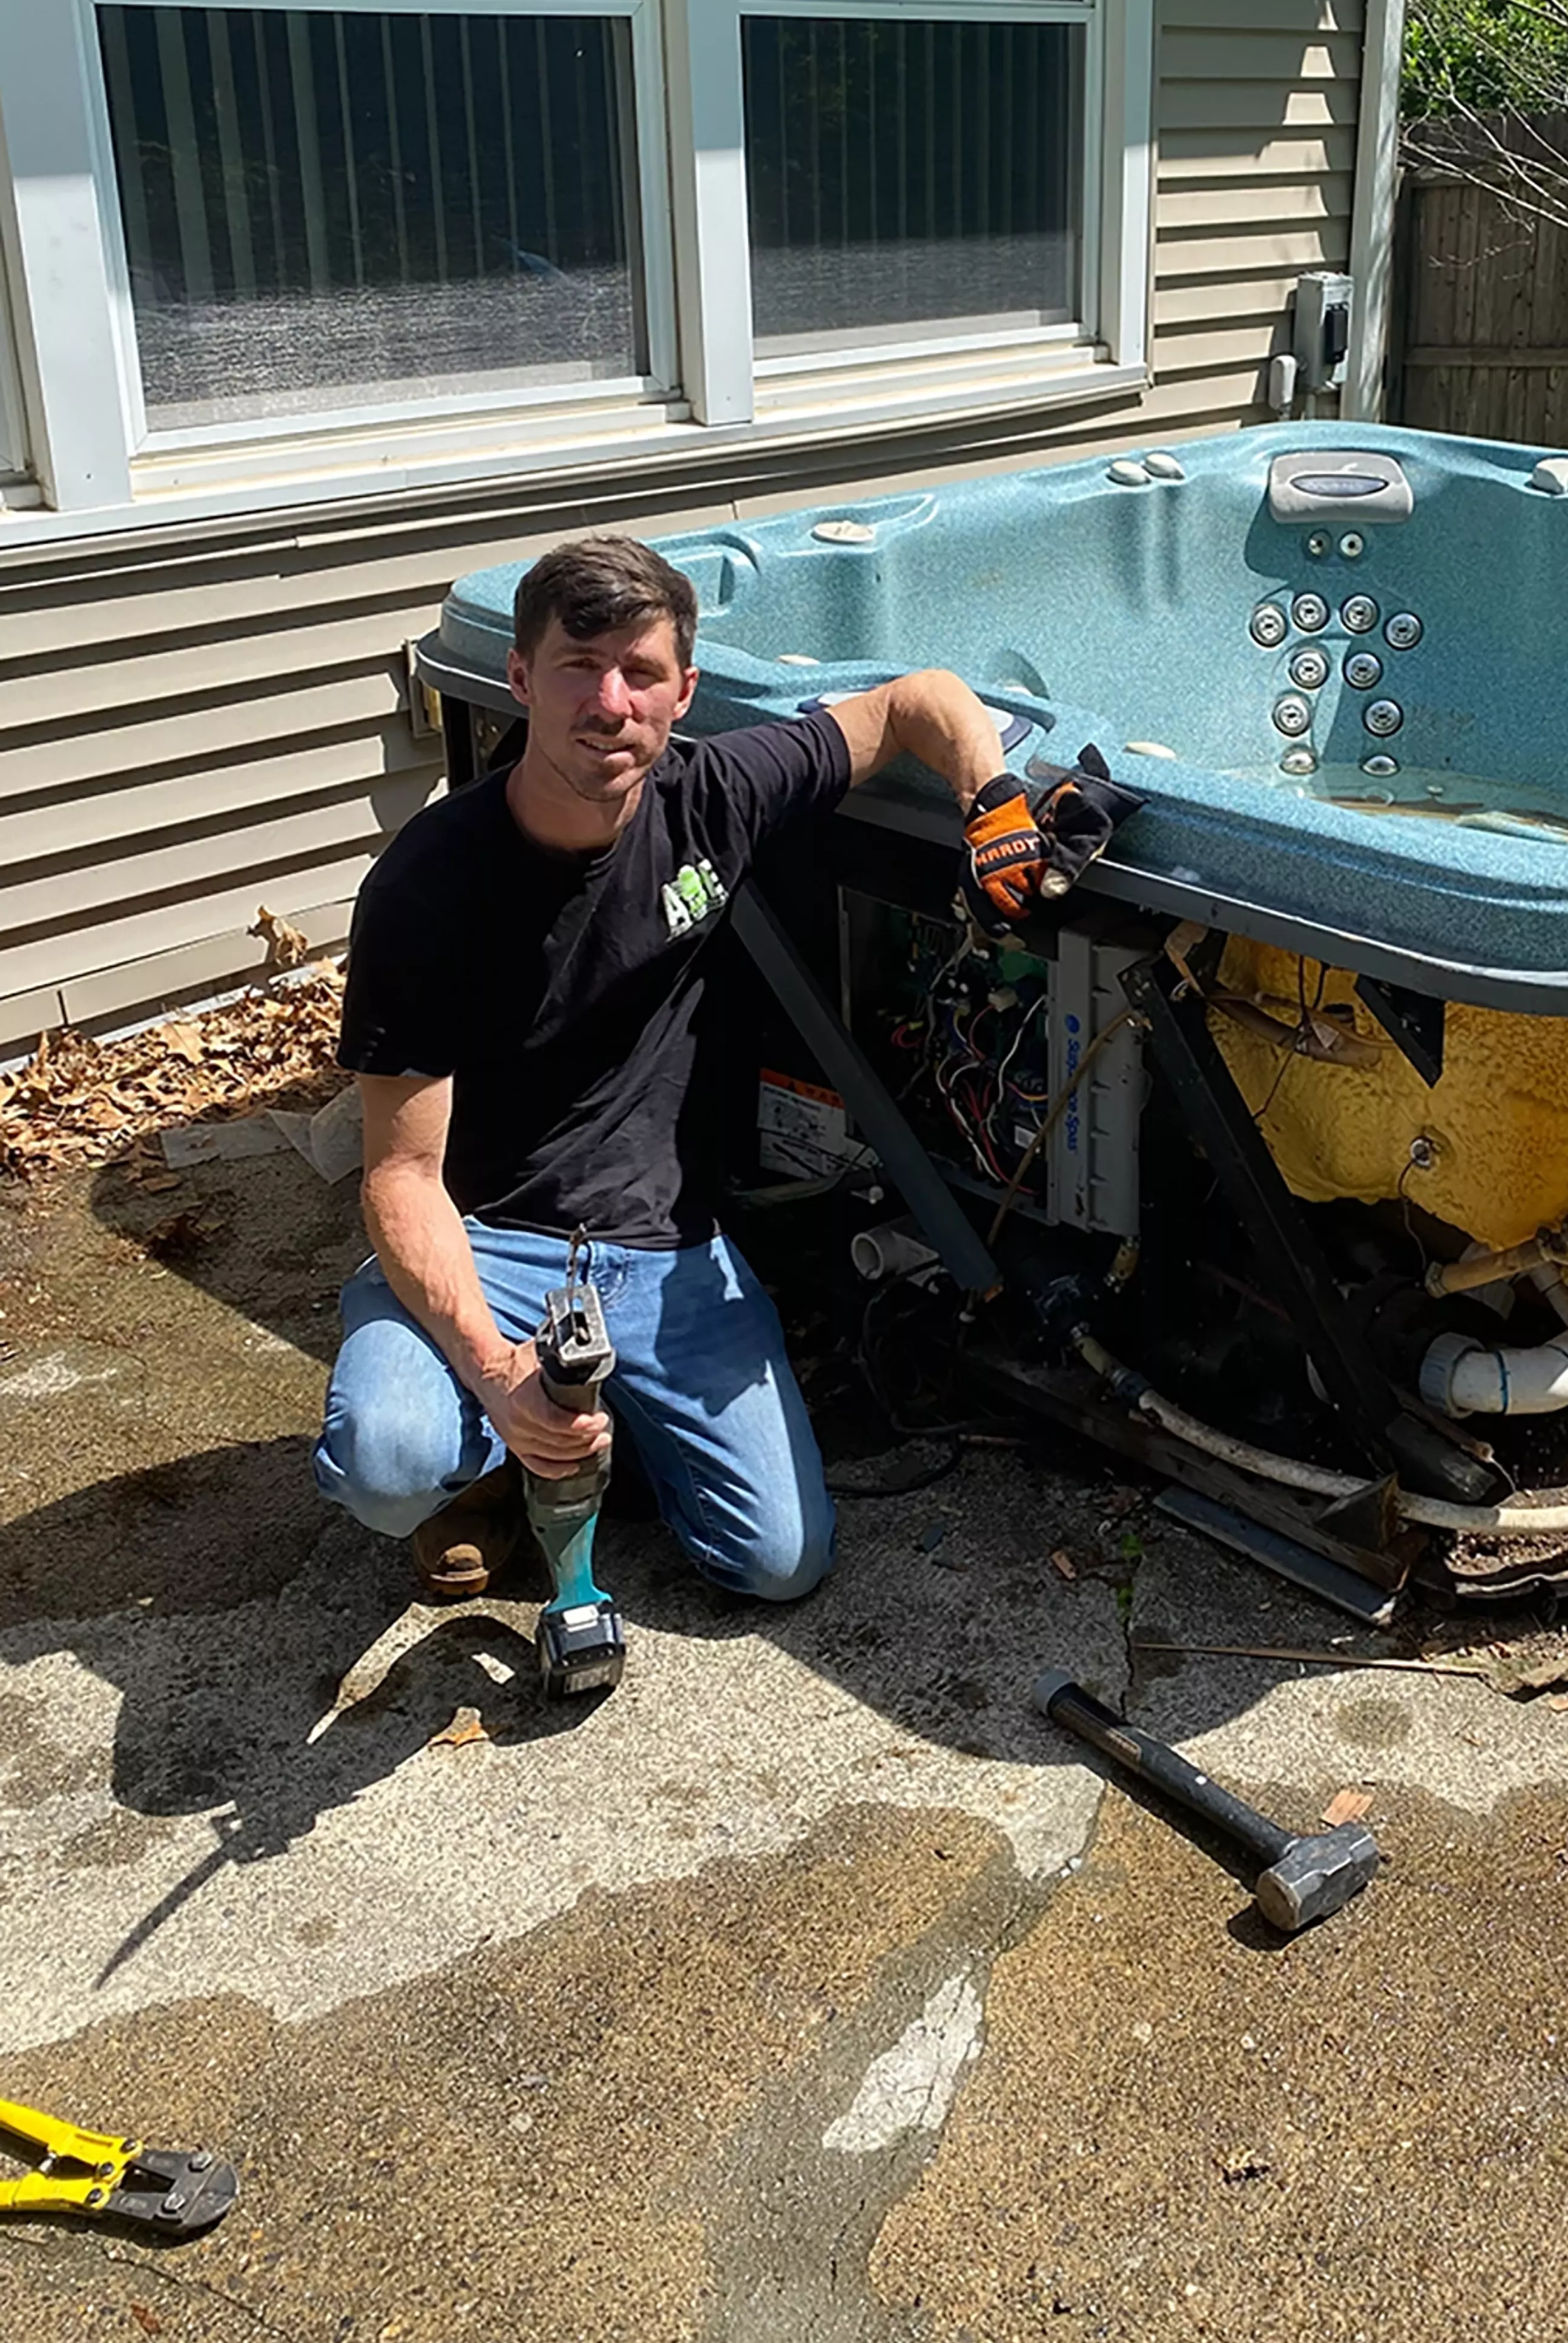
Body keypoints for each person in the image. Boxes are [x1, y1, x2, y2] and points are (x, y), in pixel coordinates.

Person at [314, 531, 1051, 1604]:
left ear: (685, 691)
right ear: (520, 678)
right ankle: (481, 1459)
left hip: (666, 1250)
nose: (610, 703)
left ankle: (571, 1445)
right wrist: (497, 1368)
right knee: (386, 1466)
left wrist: (996, 803)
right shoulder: (428, 889)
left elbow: (918, 700)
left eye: (642, 673)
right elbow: (399, 1176)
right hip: (488, 1240)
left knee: (780, 1564)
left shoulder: (717, 795)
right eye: (578, 668)